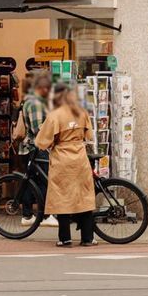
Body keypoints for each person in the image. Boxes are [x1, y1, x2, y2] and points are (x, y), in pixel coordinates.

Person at [34, 82, 97, 247]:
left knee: (62, 197)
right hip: (80, 157)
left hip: (62, 158)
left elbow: (42, 141)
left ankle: (65, 238)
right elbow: (89, 135)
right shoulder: (81, 112)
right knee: (83, 196)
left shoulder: (55, 115)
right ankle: (87, 238)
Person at [12, 70, 52, 226]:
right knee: (41, 181)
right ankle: (41, 215)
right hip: (36, 147)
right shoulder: (35, 103)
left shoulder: (36, 101)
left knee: (32, 180)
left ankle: (29, 215)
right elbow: (38, 130)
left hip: (34, 147)